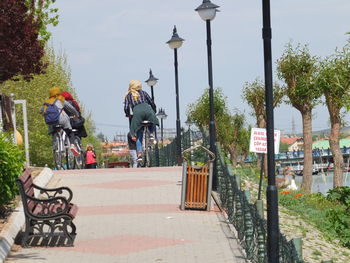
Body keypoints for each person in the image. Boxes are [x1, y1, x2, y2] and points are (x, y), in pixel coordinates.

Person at [124, 80, 159, 162]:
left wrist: (128, 114)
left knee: (139, 136)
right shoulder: (144, 92)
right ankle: (151, 134)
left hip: (137, 114)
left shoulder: (129, 95)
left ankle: (139, 155)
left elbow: (126, 107)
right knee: (152, 118)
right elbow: (151, 102)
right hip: (148, 109)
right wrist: (154, 110)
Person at [40, 87, 79, 156]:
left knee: (54, 131)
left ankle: (56, 148)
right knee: (70, 132)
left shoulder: (47, 101)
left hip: (51, 122)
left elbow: (40, 111)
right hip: (62, 120)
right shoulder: (61, 99)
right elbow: (70, 108)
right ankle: (72, 145)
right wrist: (76, 114)